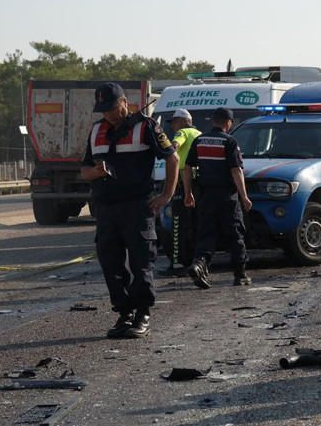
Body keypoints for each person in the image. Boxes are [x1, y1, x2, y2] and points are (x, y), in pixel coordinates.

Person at [80, 82, 178, 339]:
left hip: (137, 206)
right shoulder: (96, 130)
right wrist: (97, 172)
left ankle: (142, 314)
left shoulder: (145, 126)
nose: (108, 115)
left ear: (125, 102)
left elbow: (173, 158)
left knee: (140, 262)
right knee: (110, 262)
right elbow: (84, 170)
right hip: (107, 208)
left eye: (112, 108)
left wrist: (166, 195)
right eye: (103, 110)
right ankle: (124, 314)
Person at [183, 107, 253, 288]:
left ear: (214, 121)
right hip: (227, 196)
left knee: (206, 233)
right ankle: (240, 275)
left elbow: (187, 168)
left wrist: (188, 193)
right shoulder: (230, 141)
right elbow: (236, 170)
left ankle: (199, 264)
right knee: (235, 233)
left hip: (205, 196)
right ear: (228, 123)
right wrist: (244, 196)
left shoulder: (199, 140)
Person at [159, 108, 202, 277]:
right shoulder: (199, 133)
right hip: (198, 182)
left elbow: (174, 146)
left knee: (177, 224)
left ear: (184, 121)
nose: (173, 125)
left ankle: (178, 264)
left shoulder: (183, 132)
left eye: (175, 121)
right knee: (194, 223)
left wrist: (167, 151)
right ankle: (193, 260)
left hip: (183, 181)